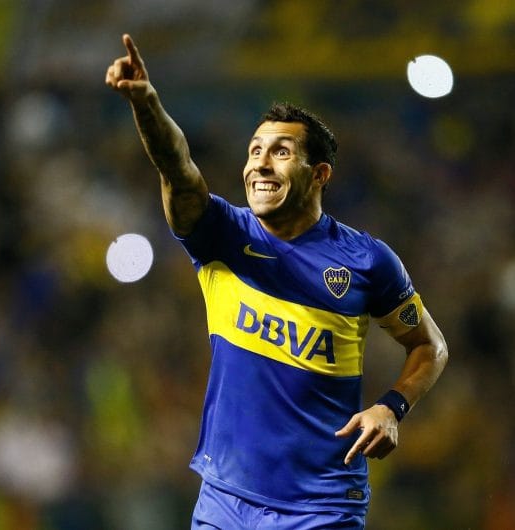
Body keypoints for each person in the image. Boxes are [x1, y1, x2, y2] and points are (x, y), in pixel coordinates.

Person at [106, 34, 448, 530]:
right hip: (224, 498)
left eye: (281, 151)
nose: (260, 164)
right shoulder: (221, 235)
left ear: (320, 174)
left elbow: (430, 346)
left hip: (321, 505)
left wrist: (391, 407)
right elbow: (177, 168)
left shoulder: (368, 261)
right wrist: (147, 104)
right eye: (254, 151)